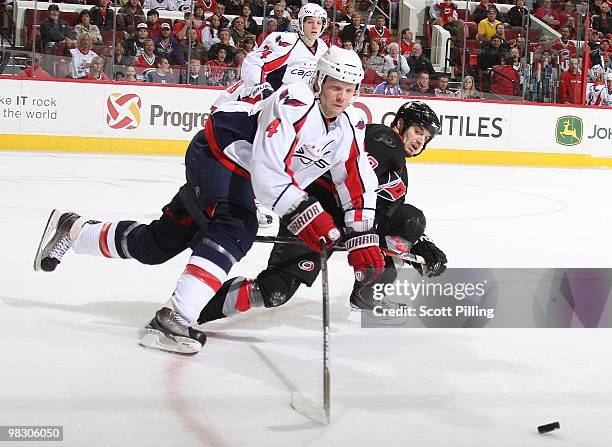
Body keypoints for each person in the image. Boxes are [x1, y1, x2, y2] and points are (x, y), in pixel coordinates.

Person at [34, 47, 383, 355]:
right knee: (237, 226)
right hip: (218, 155)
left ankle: (73, 229)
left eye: (350, 90)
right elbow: (267, 170)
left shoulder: (349, 124)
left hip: (239, 170)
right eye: (336, 87)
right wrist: (305, 214)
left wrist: (361, 234)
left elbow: (354, 177)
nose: (342, 97)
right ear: (319, 80)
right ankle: (173, 319)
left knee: (158, 244)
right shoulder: (294, 101)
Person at [196, 102, 447, 325]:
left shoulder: (398, 170)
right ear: (400, 124)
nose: (419, 141)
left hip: (338, 224)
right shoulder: (385, 140)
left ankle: (367, 299)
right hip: (314, 217)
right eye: (417, 131)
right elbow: (351, 183)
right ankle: (197, 307)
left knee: (411, 220)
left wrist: (417, 241)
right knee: (274, 291)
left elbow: (384, 216)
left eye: (426, 138)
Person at [212, 4, 328, 109]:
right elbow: (253, 62)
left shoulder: (323, 48)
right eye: (310, 22)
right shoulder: (285, 41)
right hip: (256, 103)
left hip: (291, 106)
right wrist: (261, 89)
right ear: (301, 23)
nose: (315, 27)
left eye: (319, 23)